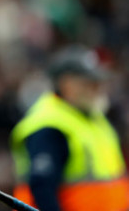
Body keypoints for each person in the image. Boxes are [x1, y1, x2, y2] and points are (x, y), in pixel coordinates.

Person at [10, 44, 129, 211]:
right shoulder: (49, 124)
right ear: (67, 84)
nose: (98, 89)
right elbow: (42, 188)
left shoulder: (93, 118)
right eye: (90, 83)